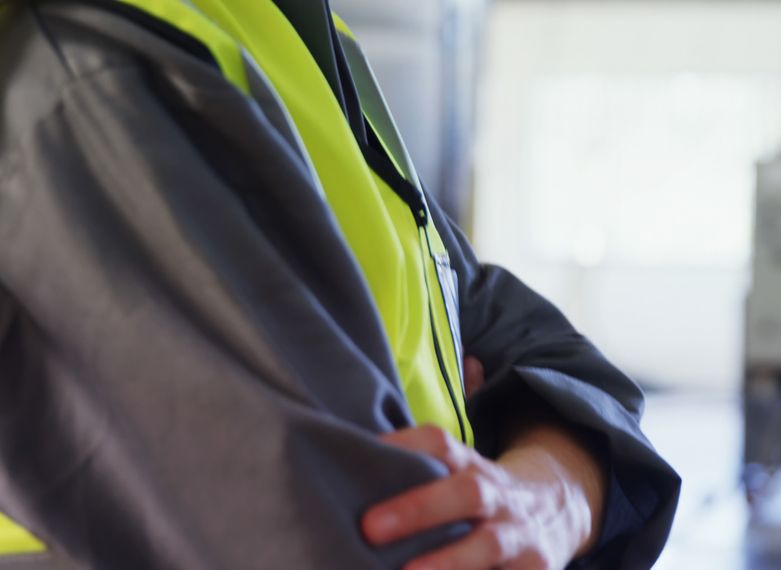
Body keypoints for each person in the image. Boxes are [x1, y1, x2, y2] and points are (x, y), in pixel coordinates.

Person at [0, 0, 680, 568]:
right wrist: (506, 448)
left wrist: (549, 495)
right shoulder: (96, 63)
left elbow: (556, 357)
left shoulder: (302, 34)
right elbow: (384, 539)